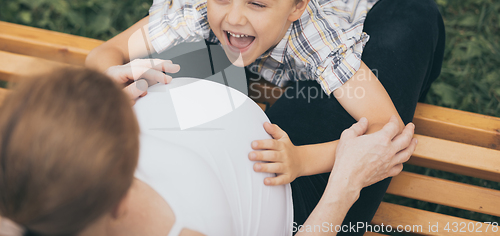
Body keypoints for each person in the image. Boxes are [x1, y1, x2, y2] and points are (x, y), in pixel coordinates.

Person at [85, 0, 446, 233]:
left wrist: (301, 160)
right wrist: (108, 74)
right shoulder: (198, 5)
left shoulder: (318, 35)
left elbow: (386, 125)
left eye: (255, 4)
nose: (233, 16)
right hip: (288, 9)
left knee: (400, 13)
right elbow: (108, 52)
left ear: (298, 8)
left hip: (347, 5)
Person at [0, 67, 417, 235]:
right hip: (297, 193)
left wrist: (97, 95)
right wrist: (346, 184)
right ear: (120, 199)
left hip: (219, 105)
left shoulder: (21, 192)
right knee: (411, 18)